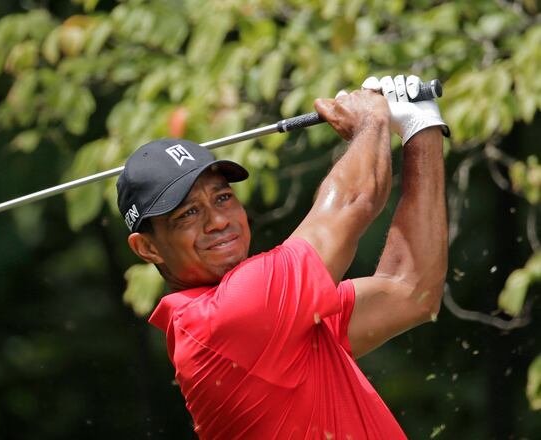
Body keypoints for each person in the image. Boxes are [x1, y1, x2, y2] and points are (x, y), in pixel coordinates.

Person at [115, 75, 449, 439]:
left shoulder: (281, 319)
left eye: (223, 197)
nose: (218, 221)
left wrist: (421, 127)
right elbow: (355, 202)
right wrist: (372, 119)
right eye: (187, 215)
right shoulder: (224, 319)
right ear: (146, 247)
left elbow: (411, 291)